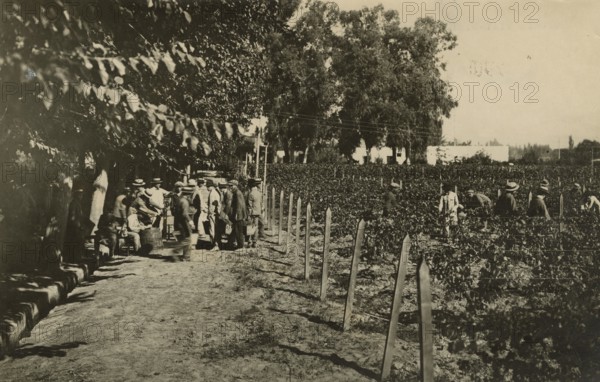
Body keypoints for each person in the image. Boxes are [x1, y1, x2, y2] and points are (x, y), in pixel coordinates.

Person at [171, 185, 195, 261]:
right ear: (188, 194)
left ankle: (186, 256)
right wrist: (190, 221)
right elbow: (184, 214)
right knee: (187, 239)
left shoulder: (180, 200)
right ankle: (176, 250)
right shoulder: (185, 202)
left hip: (179, 222)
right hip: (183, 223)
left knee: (185, 238)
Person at [65, 188, 86, 262]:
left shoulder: (77, 203)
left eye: (81, 194)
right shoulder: (74, 203)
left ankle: (76, 258)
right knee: (74, 242)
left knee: (78, 243)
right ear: (76, 195)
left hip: (77, 226)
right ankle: (73, 259)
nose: (81, 196)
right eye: (80, 194)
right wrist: (78, 225)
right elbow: (72, 216)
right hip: (74, 227)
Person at [229, 180, 247, 250]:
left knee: (239, 231)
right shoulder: (237, 192)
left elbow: (239, 205)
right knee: (237, 230)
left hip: (239, 215)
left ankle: (241, 246)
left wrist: (237, 214)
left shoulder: (237, 193)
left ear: (235, 186)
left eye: (231, 186)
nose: (230, 187)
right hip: (239, 214)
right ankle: (238, 245)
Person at [246, 178, 263, 248]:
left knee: (250, 227)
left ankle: (249, 241)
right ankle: (255, 242)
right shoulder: (259, 193)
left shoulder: (251, 194)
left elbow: (249, 205)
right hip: (258, 212)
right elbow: (261, 203)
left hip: (251, 212)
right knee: (256, 227)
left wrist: (248, 213)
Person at [207, 179, 221, 250]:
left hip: (213, 214)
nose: (207, 188)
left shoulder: (212, 193)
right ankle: (215, 244)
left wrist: (210, 213)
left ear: (210, 186)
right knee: (214, 229)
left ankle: (215, 245)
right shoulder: (215, 192)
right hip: (215, 214)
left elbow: (213, 205)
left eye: (208, 186)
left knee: (212, 230)